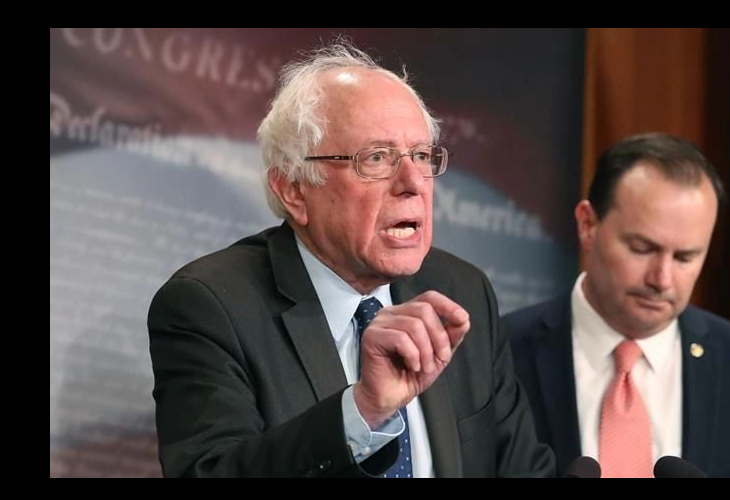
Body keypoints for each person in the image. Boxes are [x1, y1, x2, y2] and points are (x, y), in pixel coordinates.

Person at [147, 42, 555, 478]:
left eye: (421, 156)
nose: (413, 183)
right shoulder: (211, 307)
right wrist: (362, 412)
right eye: (376, 158)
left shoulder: (460, 291)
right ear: (294, 189)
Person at [503, 133, 730, 478]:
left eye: (684, 257)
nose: (662, 279)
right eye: (642, 248)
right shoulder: (499, 353)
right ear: (587, 225)